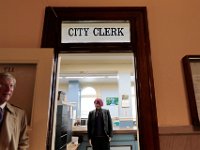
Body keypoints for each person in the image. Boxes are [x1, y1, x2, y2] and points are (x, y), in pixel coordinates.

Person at [0, 72, 29, 150]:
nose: (8, 89)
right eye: (4, 85)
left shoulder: (20, 114)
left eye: (11, 86)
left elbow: (23, 143)